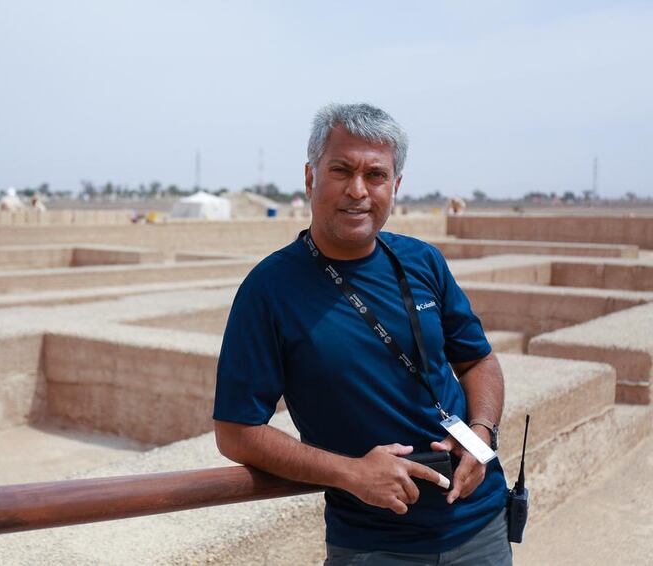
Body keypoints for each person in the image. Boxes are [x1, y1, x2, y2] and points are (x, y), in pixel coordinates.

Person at [213, 103, 510, 565]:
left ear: (395, 186)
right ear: (311, 178)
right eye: (341, 170)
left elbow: (477, 361)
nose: (358, 190)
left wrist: (481, 435)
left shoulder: (422, 261)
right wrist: (350, 472)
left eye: (375, 175)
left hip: (482, 525)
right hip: (374, 545)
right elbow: (236, 431)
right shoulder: (269, 290)